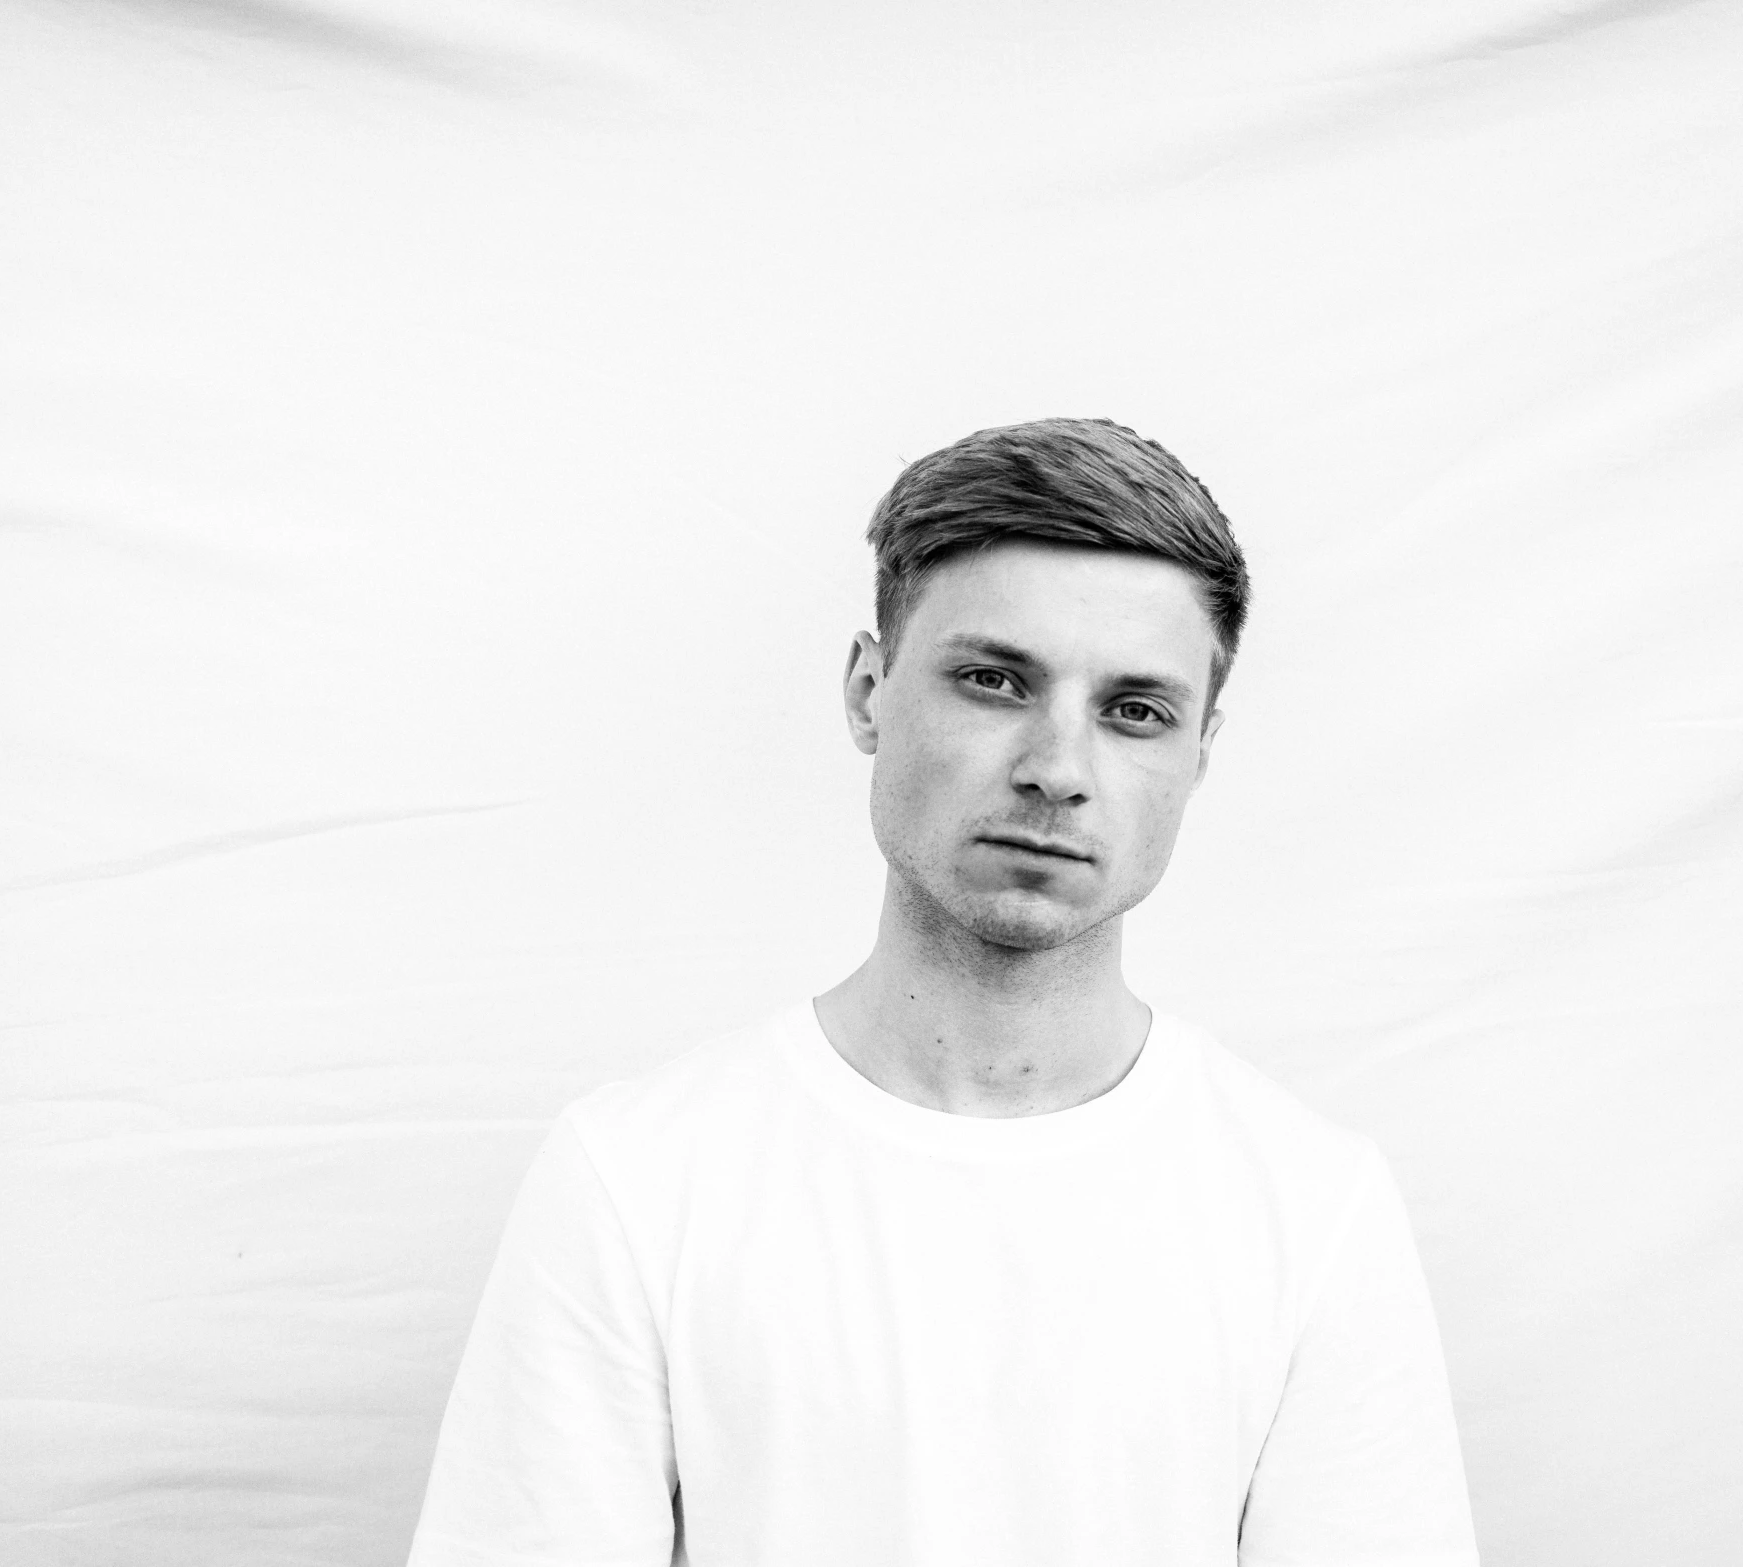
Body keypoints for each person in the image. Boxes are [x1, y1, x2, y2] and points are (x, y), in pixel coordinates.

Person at [406, 419, 1479, 1567]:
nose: (1056, 770)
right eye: (992, 680)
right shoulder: (638, 1178)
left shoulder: (1313, 1209)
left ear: (1199, 751)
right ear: (869, 692)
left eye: (1134, 711)